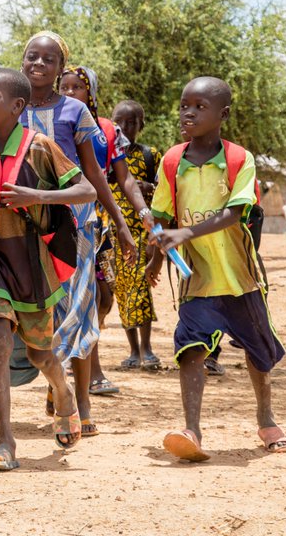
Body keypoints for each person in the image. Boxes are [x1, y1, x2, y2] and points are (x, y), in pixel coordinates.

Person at [0, 68, 97, 471]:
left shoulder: (40, 147)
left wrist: (37, 195)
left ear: (17, 106)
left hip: (34, 263)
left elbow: (86, 189)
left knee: (39, 354)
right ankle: (5, 443)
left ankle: (62, 393)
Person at [146, 76, 286, 461]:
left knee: (259, 353)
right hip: (198, 277)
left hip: (240, 276)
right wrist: (155, 256)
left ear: (222, 114)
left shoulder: (239, 159)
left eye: (199, 107)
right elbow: (161, 218)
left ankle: (266, 417)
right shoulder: (172, 161)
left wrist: (184, 231)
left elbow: (234, 213)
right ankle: (191, 429)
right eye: (183, 105)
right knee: (190, 347)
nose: (188, 113)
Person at [20, 33, 138, 439]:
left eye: (48, 59)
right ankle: (59, 387)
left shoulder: (75, 111)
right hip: (25, 226)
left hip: (78, 226)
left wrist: (121, 227)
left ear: (59, 68)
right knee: (43, 312)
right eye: (31, 56)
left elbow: (95, 176)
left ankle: (82, 404)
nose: (38, 64)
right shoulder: (10, 108)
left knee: (80, 310)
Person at [58, 66, 152, 397]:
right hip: (62, 218)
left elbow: (122, 177)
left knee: (104, 296)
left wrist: (141, 212)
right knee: (85, 295)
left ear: (91, 94)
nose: (70, 93)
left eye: (77, 88)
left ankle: (75, 352)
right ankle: (90, 372)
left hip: (99, 222)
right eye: (64, 87)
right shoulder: (52, 121)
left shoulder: (108, 131)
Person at [110, 100, 162, 371]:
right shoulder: (105, 153)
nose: (125, 127)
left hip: (142, 232)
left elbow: (163, 191)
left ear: (141, 126)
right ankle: (132, 350)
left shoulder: (150, 154)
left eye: (132, 123)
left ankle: (147, 349)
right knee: (122, 291)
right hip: (114, 234)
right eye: (120, 121)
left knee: (141, 290)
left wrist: (148, 186)